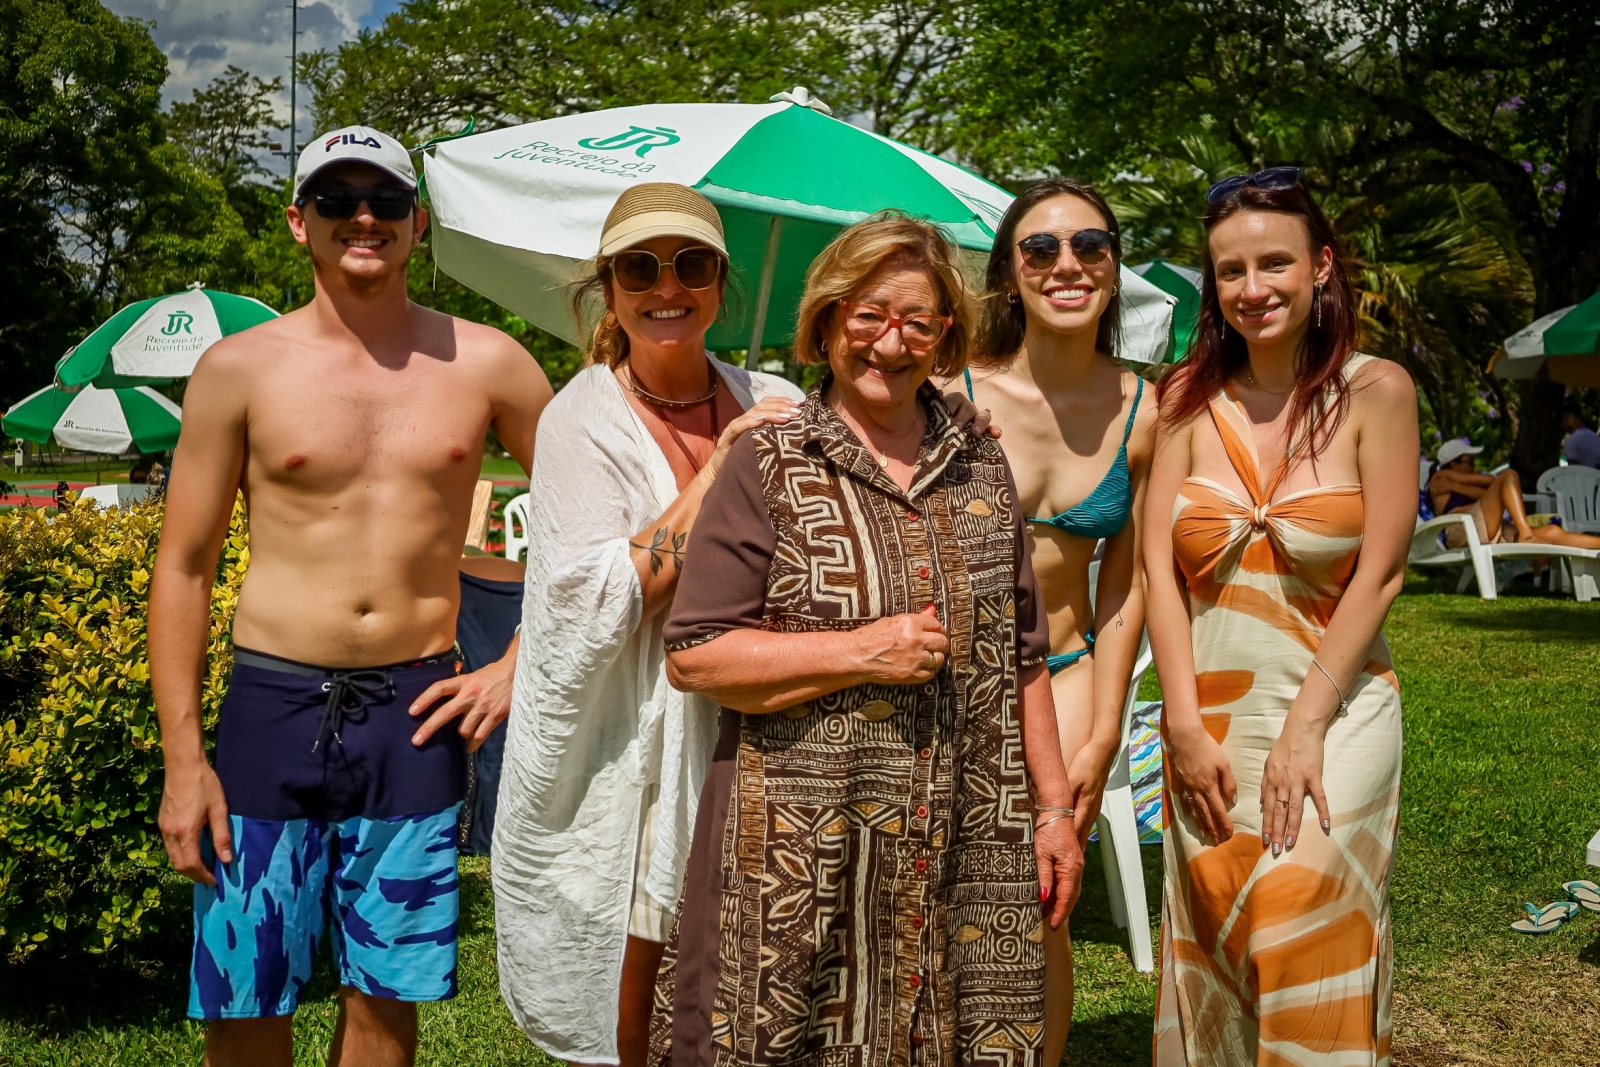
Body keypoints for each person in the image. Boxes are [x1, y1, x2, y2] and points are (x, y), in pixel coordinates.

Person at [149, 125, 553, 1067]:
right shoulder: (239, 368)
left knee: (385, 997)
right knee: (244, 993)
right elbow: (184, 566)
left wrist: (517, 662)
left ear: (419, 223)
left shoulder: (490, 363)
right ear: (300, 221)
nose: (363, 217)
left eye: (386, 200)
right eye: (338, 199)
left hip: (414, 712)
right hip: (270, 709)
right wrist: (182, 759)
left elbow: (594, 522)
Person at [650, 214, 1083, 1066]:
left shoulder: (980, 464)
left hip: (969, 840)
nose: (891, 343)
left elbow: (1024, 656)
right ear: (826, 322)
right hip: (803, 854)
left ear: (946, 335)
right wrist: (859, 651)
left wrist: (1056, 810)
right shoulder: (771, 461)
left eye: (918, 321)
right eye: (870, 315)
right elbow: (694, 653)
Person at [491, 184, 805, 1067]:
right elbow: (587, 600)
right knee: (638, 990)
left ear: (720, 283)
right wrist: (717, 476)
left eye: (691, 264)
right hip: (636, 744)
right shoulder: (580, 420)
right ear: (609, 288)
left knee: (758, 976)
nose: (668, 287)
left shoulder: (775, 396)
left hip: (767, 721)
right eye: (640, 267)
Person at [1143, 168, 1417, 1063]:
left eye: (1274, 263)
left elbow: (1382, 572)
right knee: (1225, 927)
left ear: (1321, 265)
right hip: (1211, 718)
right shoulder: (1184, 399)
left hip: (1336, 708)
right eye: (1230, 270)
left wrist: (1305, 727)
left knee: (1304, 921)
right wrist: (1182, 722)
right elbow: (1157, 571)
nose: (1252, 287)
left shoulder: (1377, 391)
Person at [958, 177, 1156, 1064]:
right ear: (1010, 273)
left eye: (1090, 245)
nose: (1066, 263)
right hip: (948, 672)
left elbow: (1128, 581)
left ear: (1113, 267)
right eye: (1040, 247)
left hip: (1069, 668)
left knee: (1043, 896)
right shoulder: (950, 390)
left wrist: (1107, 725)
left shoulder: (1146, 411)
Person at [1428, 437, 1600, 549]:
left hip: (1489, 527)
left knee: (1552, 532)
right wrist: (1459, 485)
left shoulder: (1455, 484)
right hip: (1461, 529)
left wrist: (1456, 487)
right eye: (1469, 461)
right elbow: (1491, 480)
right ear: (1454, 464)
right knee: (1509, 475)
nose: (1473, 466)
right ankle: (1526, 533)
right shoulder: (1440, 477)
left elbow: (1491, 487)